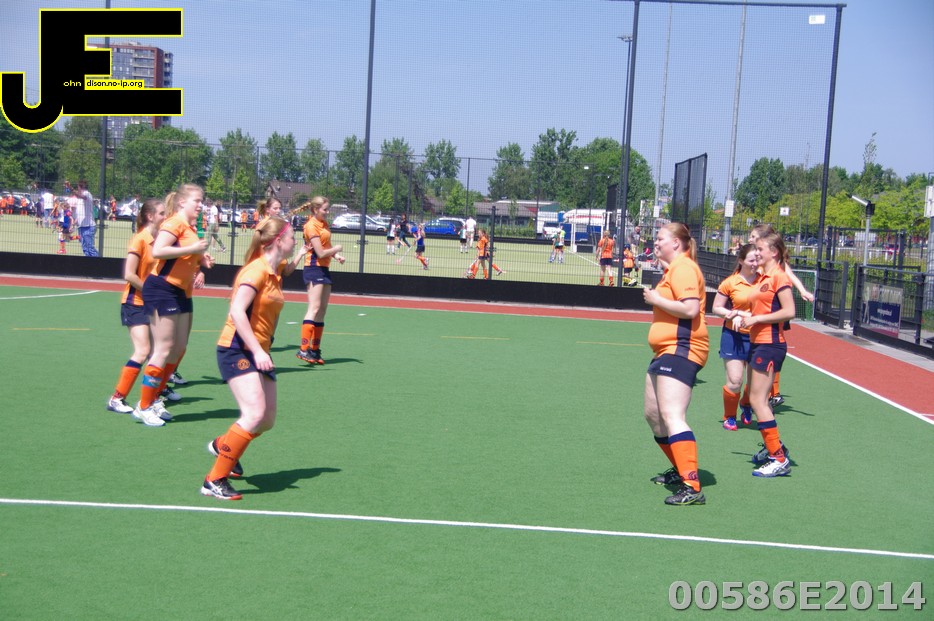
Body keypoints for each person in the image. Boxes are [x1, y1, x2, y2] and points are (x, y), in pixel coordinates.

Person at [201, 216, 297, 500]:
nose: (296, 241)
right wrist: (256, 350)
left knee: (266, 420)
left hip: (258, 350)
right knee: (254, 414)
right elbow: (237, 311)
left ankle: (223, 445)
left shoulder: (274, 270)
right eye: (293, 236)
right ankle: (214, 480)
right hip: (237, 348)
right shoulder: (255, 271)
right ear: (279, 240)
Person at [133, 183, 214, 427]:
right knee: (163, 348)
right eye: (196, 200)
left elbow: (182, 255)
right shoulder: (174, 223)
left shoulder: (189, 226)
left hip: (179, 290)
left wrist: (200, 259)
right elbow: (158, 251)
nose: (200, 205)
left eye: (201, 201)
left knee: (178, 348)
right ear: (181, 202)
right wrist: (192, 248)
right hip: (162, 289)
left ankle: (155, 398)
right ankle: (144, 406)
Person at [642, 222, 708, 506]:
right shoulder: (673, 269)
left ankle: (691, 486)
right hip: (665, 350)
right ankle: (681, 470)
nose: (655, 243)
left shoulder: (684, 268)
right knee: (654, 416)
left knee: (672, 415)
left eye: (660, 239)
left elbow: (690, 309)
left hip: (682, 348)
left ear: (677, 244)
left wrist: (656, 299)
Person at [740, 231, 797, 477]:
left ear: (773, 252)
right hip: (758, 342)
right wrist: (744, 316)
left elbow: (789, 311)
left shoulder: (779, 276)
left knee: (758, 401)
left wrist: (757, 319)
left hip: (770, 344)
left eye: (760, 249)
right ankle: (773, 447)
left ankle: (778, 457)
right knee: (757, 400)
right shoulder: (763, 277)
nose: (756, 252)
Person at [107, 199, 166, 414]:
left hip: (152, 303)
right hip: (135, 302)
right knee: (143, 351)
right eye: (162, 213)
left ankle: (152, 399)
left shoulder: (160, 241)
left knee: (157, 353)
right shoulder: (140, 239)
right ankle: (117, 398)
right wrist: (150, 291)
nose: (165, 217)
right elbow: (129, 274)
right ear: (150, 216)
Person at [748, 224, 814, 407]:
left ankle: (774, 393)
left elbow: (788, 279)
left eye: (753, 237)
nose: (750, 240)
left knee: (758, 399)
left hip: (769, 327)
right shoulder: (759, 266)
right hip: (756, 328)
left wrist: (803, 290)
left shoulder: (777, 272)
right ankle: (766, 400)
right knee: (755, 396)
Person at [711, 243, 759, 431]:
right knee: (735, 381)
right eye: (751, 260)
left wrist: (744, 315)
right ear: (741, 261)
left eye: (758, 260)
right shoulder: (730, 282)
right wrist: (733, 315)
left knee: (755, 384)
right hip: (733, 336)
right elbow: (716, 308)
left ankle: (746, 404)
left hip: (759, 337)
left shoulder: (765, 282)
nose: (755, 264)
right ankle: (729, 417)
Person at [297, 196, 345, 365]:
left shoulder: (324, 224)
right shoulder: (311, 226)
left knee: (322, 310)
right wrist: (337, 248)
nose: (327, 211)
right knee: (314, 307)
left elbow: (326, 247)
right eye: (325, 209)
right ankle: (303, 349)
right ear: (315, 209)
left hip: (324, 268)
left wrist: (336, 255)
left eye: (327, 208)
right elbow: (320, 252)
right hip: (313, 268)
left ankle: (315, 350)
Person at [73, 180, 100, 257]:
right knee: (85, 248)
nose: (77, 189)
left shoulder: (87, 194)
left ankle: (99, 263)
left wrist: (70, 188)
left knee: (90, 248)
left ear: (80, 187)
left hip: (88, 226)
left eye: (78, 187)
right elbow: (80, 210)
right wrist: (75, 221)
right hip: (81, 226)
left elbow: (81, 196)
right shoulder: (79, 198)